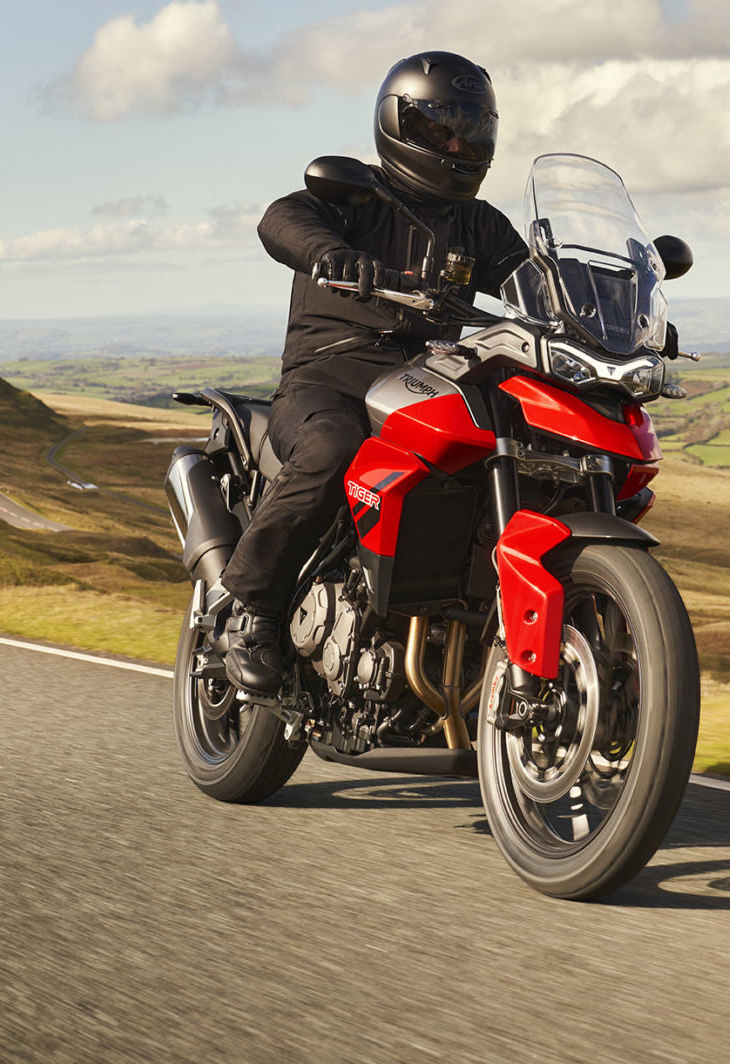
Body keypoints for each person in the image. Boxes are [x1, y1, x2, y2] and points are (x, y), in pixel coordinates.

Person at [218, 50, 530, 694]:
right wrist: (331, 252)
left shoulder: (480, 225)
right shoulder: (355, 194)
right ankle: (251, 609)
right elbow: (282, 219)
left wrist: (600, 307)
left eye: (469, 128)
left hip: (423, 385)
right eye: (440, 127)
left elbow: (534, 283)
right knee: (334, 449)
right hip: (327, 380)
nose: (456, 141)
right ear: (400, 126)